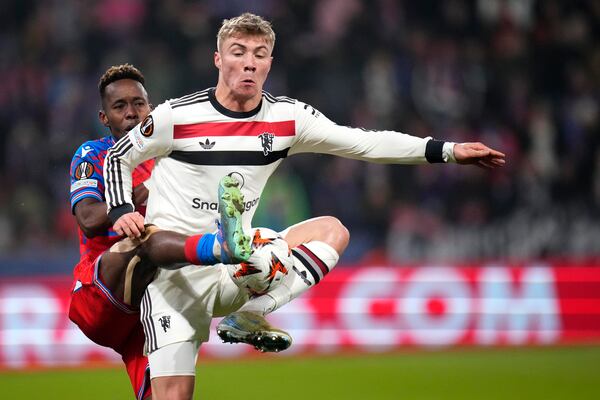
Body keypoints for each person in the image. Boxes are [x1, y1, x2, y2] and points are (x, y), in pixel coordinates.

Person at [103, 13, 505, 400]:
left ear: (269, 64)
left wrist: (448, 151)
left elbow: (363, 142)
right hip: (173, 279)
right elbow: (117, 156)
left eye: (259, 55)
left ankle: (253, 313)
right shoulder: (178, 116)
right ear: (218, 59)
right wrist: (122, 212)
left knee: (331, 232)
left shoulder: (287, 119)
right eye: (238, 52)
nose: (248, 63)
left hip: (232, 266)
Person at [68, 64, 253, 400]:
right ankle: (221, 251)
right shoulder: (92, 155)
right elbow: (88, 217)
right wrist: (136, 196)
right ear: (104, 117)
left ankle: (250, 307)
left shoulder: (171, 158)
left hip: (152, 306)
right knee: (144, 238)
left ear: (150, 109)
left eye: (138, 104)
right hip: (103, 295)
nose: (131, 113)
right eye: (119, 106)